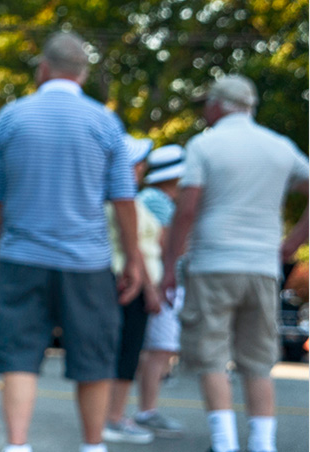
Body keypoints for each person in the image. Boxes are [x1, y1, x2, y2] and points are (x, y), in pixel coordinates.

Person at [0, 31, 149, 452]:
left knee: (19, 356)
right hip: (87, 263)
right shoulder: (104, 122)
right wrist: (133, 260)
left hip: (22, 257)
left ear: (43, 68)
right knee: (94, 359)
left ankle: (17, 445)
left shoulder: (10, 118)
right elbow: (124, 199)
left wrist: (1, 244)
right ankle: (92, 445)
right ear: (82, 74)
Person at [160, 75, 309, 452]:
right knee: (258, 361)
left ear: (217, 105)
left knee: (211, 356)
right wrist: (292, 242)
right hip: (262, 266)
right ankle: (262, 443)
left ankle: (224, 443)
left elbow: (187, 209)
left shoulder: (204, 146)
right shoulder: (279, 147)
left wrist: (169, 266)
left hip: (213, 262)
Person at [102, 137, 164, 444]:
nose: (142, 168)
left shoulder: (131, 200)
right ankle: (113, 418)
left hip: (131, 281)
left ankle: (113, 414)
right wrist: (150, 289)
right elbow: (134, 247)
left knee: (126, 351)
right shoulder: (122, 202)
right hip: (131, 283)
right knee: (126, 351)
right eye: (136, 163)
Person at [133, 144, 188, 438]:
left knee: (158, 348)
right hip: (161, 284)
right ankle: (147, 411)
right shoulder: (157, 201)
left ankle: (146, 409)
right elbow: (170, 246)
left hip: (158, 283)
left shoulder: (153, 199)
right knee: (159, 348)